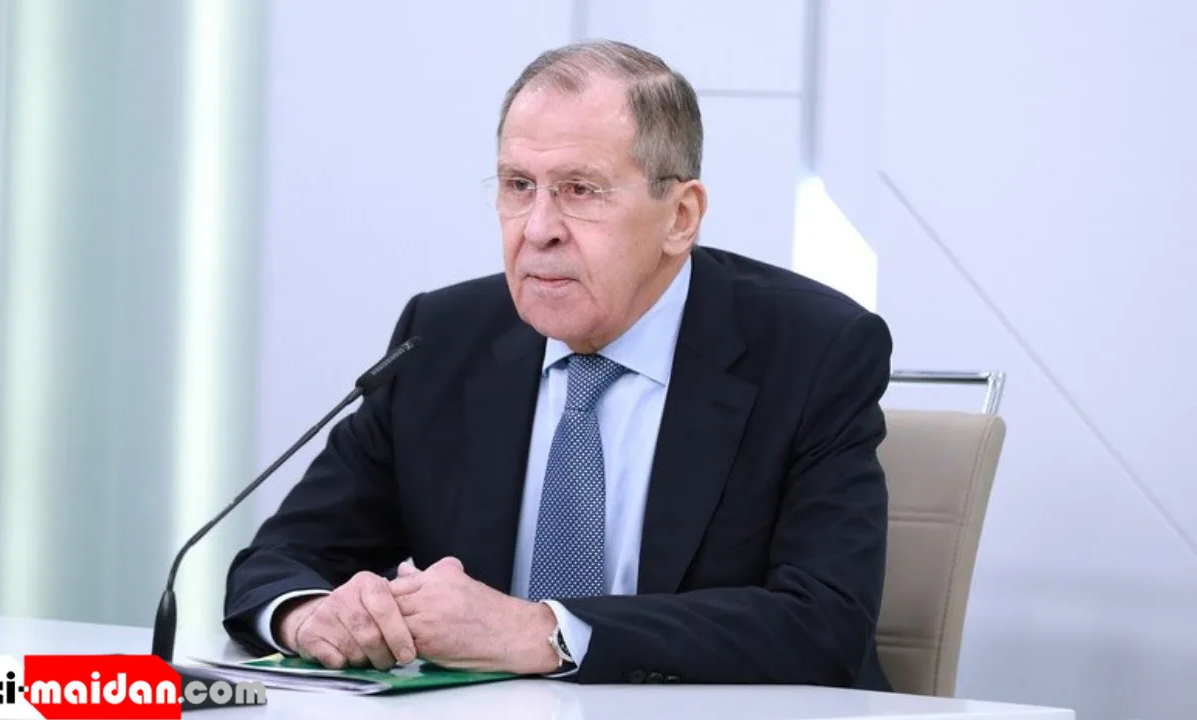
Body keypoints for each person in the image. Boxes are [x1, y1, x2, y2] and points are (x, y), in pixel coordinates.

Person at [223, 39, 894, 690]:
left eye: (580, 190)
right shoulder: (440, 340)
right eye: (519, 186)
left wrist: (543, 632)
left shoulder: (814, 350)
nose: (537, 227)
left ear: (680, 217)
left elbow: (823, 625)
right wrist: (310, 617)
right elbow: (281, 561)